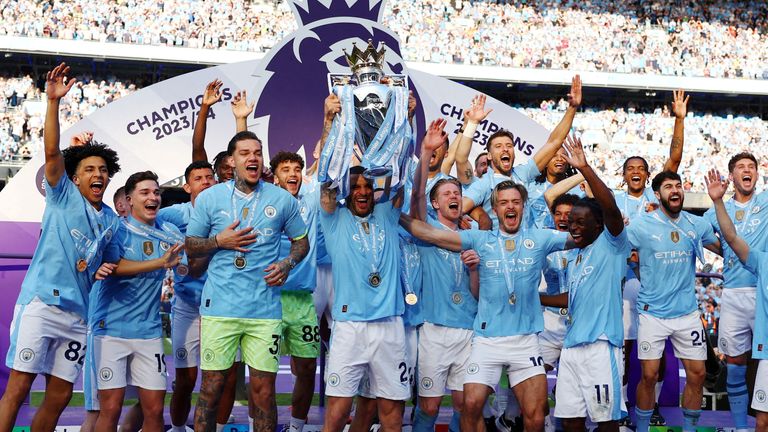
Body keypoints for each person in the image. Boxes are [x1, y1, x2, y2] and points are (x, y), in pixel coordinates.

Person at [0, 63, 122, 432]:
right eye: (89, 169)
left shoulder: (112, 221)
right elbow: (52, 152)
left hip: (78, 316)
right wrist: (52, 102)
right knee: (20, 387)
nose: (98, 174)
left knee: (59, 395)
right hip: (41, 305)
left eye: (103, 170)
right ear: (74, 177)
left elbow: (112, 263)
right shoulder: (63, 196)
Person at [400, 178, 576, 432]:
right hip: (486, 340)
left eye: (516, 202)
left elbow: (579, 238)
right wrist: (394, 214)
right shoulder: (479, 239)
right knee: (470, 407)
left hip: (525, 339)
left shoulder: (541, 238)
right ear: (495, 210)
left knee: (537, 415)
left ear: (523, 207)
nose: (510, 206)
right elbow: (428, 233)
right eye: (504, 202)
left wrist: (607, 226)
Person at [186, 131, 309, 432]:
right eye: (245, 153)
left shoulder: (282, 199)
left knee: (264, 394)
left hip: (264, 311)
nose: (253, 157)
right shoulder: (210, 198)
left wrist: (287, 263)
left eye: (257, 152)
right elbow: (191, 245)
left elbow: (301, 243)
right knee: (211, 389)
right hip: (220, 309)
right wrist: (218, 240)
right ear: (232, 160)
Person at [539, 135, 628, 431]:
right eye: (570, 221)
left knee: (606, 421)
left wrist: (585, 168)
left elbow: (612, 209)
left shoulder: (611, 244)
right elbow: (571, 298)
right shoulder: (576, 255)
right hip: (573, 346)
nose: (572, 226)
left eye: (580, 221)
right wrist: (535, 298)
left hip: (601, 347)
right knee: (569, 418)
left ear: (598, 225)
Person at [613, 89, 690, 426]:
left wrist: (679, 119)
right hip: (620, 283)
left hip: (649, 285)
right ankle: (623, 408)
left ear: (647, 176)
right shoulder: (613, 200)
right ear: (623, 174)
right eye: (630, 168)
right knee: (625, 351)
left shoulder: (656, 198)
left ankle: (652, 406)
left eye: (641, 168)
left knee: (652, 357)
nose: (635, 172)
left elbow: (674, 158)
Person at [90, 171, 184, 431]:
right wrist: (159, 262)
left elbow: (185, 267)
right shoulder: (117, 229)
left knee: (154, 410)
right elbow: (114, 265)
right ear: (129, 200)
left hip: (149, 333)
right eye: (145, 192)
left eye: (156, 192)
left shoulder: (170, 232)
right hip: (111, 331)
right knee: (109, 409)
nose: (153, 197)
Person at [319, 164, 410, 432]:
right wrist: (331, 126)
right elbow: (326, 183)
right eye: (355, 186)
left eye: (368, 186)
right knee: (338, 410)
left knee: (392, 412)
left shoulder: (387, 212)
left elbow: (400, 171)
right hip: (350, 327)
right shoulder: (334, 218)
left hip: (389, 326)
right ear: (346, 190)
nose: (362, 191)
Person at [628, 171, 720, 432]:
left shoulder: (696, 224)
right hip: (652, 313)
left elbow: (723, 249)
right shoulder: (641, 225)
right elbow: (620, 252)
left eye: (678, 185)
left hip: (687, 312)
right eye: (668, 186)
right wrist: (634, 270)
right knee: (649, 375)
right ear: (657, 194)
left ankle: (690, 429)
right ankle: (643, 429)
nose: (675, 190)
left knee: (699, 374)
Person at [409, 120, 480, 432]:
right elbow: (415, 198)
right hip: (434, 330)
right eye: (446, 193)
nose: (453, 196)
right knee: (429, 405)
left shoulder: (475, 233)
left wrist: (476, 267)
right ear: (436, 203)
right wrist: (425, 153)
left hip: (468, 330)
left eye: (457, 192)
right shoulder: (426, 230)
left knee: (466, 404)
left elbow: (480, 289)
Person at [461, 75, 582, 230]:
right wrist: (462, 215)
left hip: (527, 248)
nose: (505, 149)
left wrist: (572, 108)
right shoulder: (484, 184)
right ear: (489, 155)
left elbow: (554, 143)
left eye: (509, 145)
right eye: (498, 146)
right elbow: (459, 207)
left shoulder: (522, 173)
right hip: (500, 251)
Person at [703, 152, 768, 432]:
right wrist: (730, 252)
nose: (747, 170)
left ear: (756, 174)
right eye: (741, 167)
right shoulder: (715, 209)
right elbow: (705, 237)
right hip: (733, 292)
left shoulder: (765, 201)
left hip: (763, 292)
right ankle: (741, 427)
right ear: (731, 175)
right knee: (735, 363)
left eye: (751, 167)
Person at [159, 161, 216, 431]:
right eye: (198, 178)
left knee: (216, 379)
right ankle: (179, 428)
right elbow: (144, 218)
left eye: (209, 177)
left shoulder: (226, 212)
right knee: (185, 380)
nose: (205, 182)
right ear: (187, 186)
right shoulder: (173, 214)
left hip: (220, 307)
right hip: (187, 307)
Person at [270, 151, 322, 432]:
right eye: (285, 169)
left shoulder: (310, 200)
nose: (293, 173)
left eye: (297, 169)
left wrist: (329, 120)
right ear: (275, 175)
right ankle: (260, 426)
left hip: (302, 300)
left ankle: (296, 427)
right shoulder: (264, 200)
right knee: (263, 372)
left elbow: (326, 162)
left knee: (305, 369)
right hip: (270, 300)